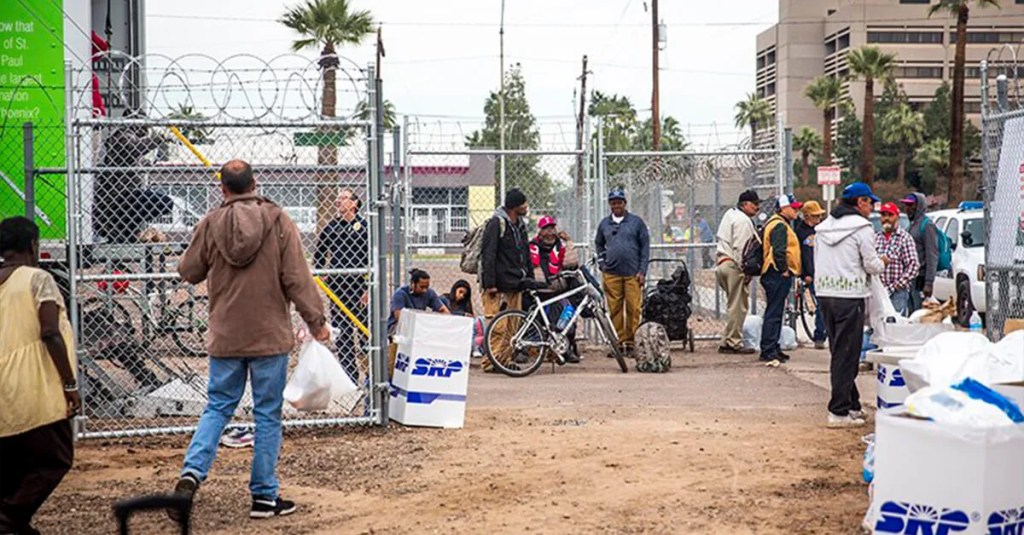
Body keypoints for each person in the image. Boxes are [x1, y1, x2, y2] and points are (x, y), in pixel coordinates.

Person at [170, 160, 329, 520]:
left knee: (218, 407)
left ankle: (192, 473)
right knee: (267, 414)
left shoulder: (211, 223)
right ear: (255, 184)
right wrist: (315, 322)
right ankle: (263, 497)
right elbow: (297, 278)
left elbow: (188, 271)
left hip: (226, 336)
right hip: (269, 336)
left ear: (223, 189)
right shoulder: (278, 220)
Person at [0, 217, 80, 535]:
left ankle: (16, 523)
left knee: (11, 462)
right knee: (54, 458)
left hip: (4, 390)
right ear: (33, 245)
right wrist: (70, 383)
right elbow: (50, 331)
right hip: (34, 385)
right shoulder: (38, 279)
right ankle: (8, 520)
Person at [814, 182, 887, 428]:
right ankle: (838, 411)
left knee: (840, 351)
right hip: (850, 295)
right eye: (870, 203)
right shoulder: (862, 228)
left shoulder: (822, 228)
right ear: (860, 202)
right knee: (847, 354)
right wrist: (883, 262)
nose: (872, 208)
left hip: (825, 293)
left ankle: (852, 404)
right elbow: (870, 263)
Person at [93, 108, 173, 243]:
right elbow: (133, 148)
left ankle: (124, 233)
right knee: (164, 202)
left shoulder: (127, 137)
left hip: (125, 195)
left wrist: (151, 162)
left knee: (159, 203)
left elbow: (136, 159)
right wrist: (158, 139)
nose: (146, 129)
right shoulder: (121, 136)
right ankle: (121, 231)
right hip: (118, 195)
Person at [314, 188, 369, 384]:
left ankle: (369, 375)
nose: (339, 202)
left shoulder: (364, 227)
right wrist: (325, 278)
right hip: (338, 289)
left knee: (364, 332)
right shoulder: (332, 227)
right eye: (338, 199)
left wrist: (368, 288)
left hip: (359, 289)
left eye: (344, 198)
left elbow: (372, 259)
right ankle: (349, 378)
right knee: (343, 335)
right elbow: (319, 256)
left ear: (354, 203)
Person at [480, 188, 533, 373]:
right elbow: (489, 254)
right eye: (524, 203)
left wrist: (529, 279)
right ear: (515, 206)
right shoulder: (497, 223)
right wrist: (490, 284)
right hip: (497, 286)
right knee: (498, 326)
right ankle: (490, 362)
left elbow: (525, 252)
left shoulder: (519, 225)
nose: (526, 207)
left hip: (515, 283)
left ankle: (504, 360)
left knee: (513, 325)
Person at [595, 188, 650, 356]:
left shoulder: (636, 222)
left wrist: (642, 270)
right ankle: (618, 344)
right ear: (610, 204)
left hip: (633, 274)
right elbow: (598, 244)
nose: (616, 205)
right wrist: (603, 263)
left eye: (619, 202)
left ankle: (633, 344)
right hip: (611, 274)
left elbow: (645, 248)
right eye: (613, 202)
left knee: (634, 309)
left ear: (625, 203)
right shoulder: (604, 224)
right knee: (615, 309)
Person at [715, 189, 760, 355]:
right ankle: (733, 342)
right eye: (755, 204)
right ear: (745, 204)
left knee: (733, 305)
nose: (758, 207)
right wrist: (745, 270)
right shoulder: (743, 221)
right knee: (738, 306)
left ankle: (727, 340)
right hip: (734, 265)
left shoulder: (730, 214)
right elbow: (742, 249)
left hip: (722, 263)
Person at [529, 215, 580, 363]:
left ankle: (566, 348)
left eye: (552, 229)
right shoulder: (532, 246)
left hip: (557, 291)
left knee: (568, 310)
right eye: (546, 229)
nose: (550, 233)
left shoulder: (561, 247)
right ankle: (525, 349)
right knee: (530, 312)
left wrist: (568, 241)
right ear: (540, 231)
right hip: (538, 291)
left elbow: (572, 264)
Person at [759, 195, 802, 365]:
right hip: (776, 274)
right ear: (784, 208)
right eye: (793, 207)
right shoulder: (778, 225)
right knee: (774, 312)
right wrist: (783, 269)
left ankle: (773, 346)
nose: (796, 210)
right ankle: (768, 349)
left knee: (776, 311)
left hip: (775, 274)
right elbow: (779, 251)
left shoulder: (779, 223)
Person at [875, 202, 920, 316]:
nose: (886, 218)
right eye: (883, 215)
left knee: (896, 327)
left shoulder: (905, 238)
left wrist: (898, 285)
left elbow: (913, 266)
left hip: (897, 293)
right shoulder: (875, 238)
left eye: (890, 215)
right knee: (876, 326)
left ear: (897, 217)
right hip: (878, 293)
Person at [793, 201, 827, 349]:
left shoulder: (819, 231)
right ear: (807, 216)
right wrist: (805, 274)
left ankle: (823, 332)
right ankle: (819, 335)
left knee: (825, 304)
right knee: (821, 305)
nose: (818, 218)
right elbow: (801, 255)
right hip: (811, 274)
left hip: (823, 271)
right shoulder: (800, 232)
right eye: (815, 216)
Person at [901, 193, 938, 313]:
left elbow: (932, 255)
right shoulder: (911, 225)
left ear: (919, 206)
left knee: (920, 315)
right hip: (910, 281)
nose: (908, 209)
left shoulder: (927, 226)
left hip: (921, 281)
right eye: (906, 205)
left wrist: (929, 282)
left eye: (911, 205)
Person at [388, 269, 450, 334]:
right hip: (399, 327)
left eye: (427, 287)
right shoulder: (400, 294)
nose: (424, 290)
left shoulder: (429, 293)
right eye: (422, 287)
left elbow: (443, 310)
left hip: (420, 325)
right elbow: (399, 317)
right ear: (412, 284)